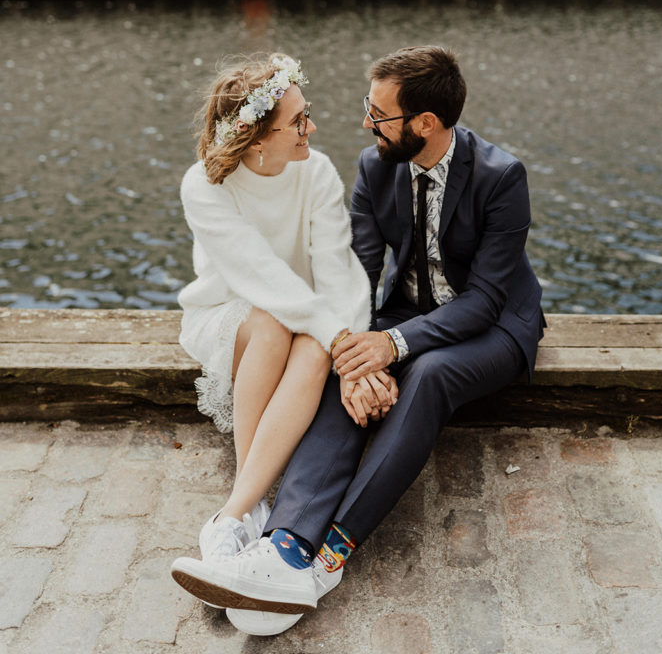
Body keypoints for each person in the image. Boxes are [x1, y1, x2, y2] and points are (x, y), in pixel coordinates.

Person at [202, 45, 545, 636]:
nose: (367, 122)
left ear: (425, 125)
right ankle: (283, 545)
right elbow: (354, 274)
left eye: (380, 113)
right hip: (403, 312)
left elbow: (484, 301)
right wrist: (362, 355)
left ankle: (326, 560)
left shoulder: (501, 177)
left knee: (430, 375)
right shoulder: (375, 166)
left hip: (496, 328)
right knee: (345, 364)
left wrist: (394, 347)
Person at [170, 53, 398, 609]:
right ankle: (241, 511)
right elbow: (260, 277)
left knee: (312, 345)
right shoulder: (204, 185)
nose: (311, 128)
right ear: (254, 141)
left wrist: (350, 356)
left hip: (307, 320)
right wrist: (336, 335)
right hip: (229, 314)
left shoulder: (314, 170)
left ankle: (238, 515)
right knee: (274, 324)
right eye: (297, 121)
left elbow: (340, 272)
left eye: (307, 113)